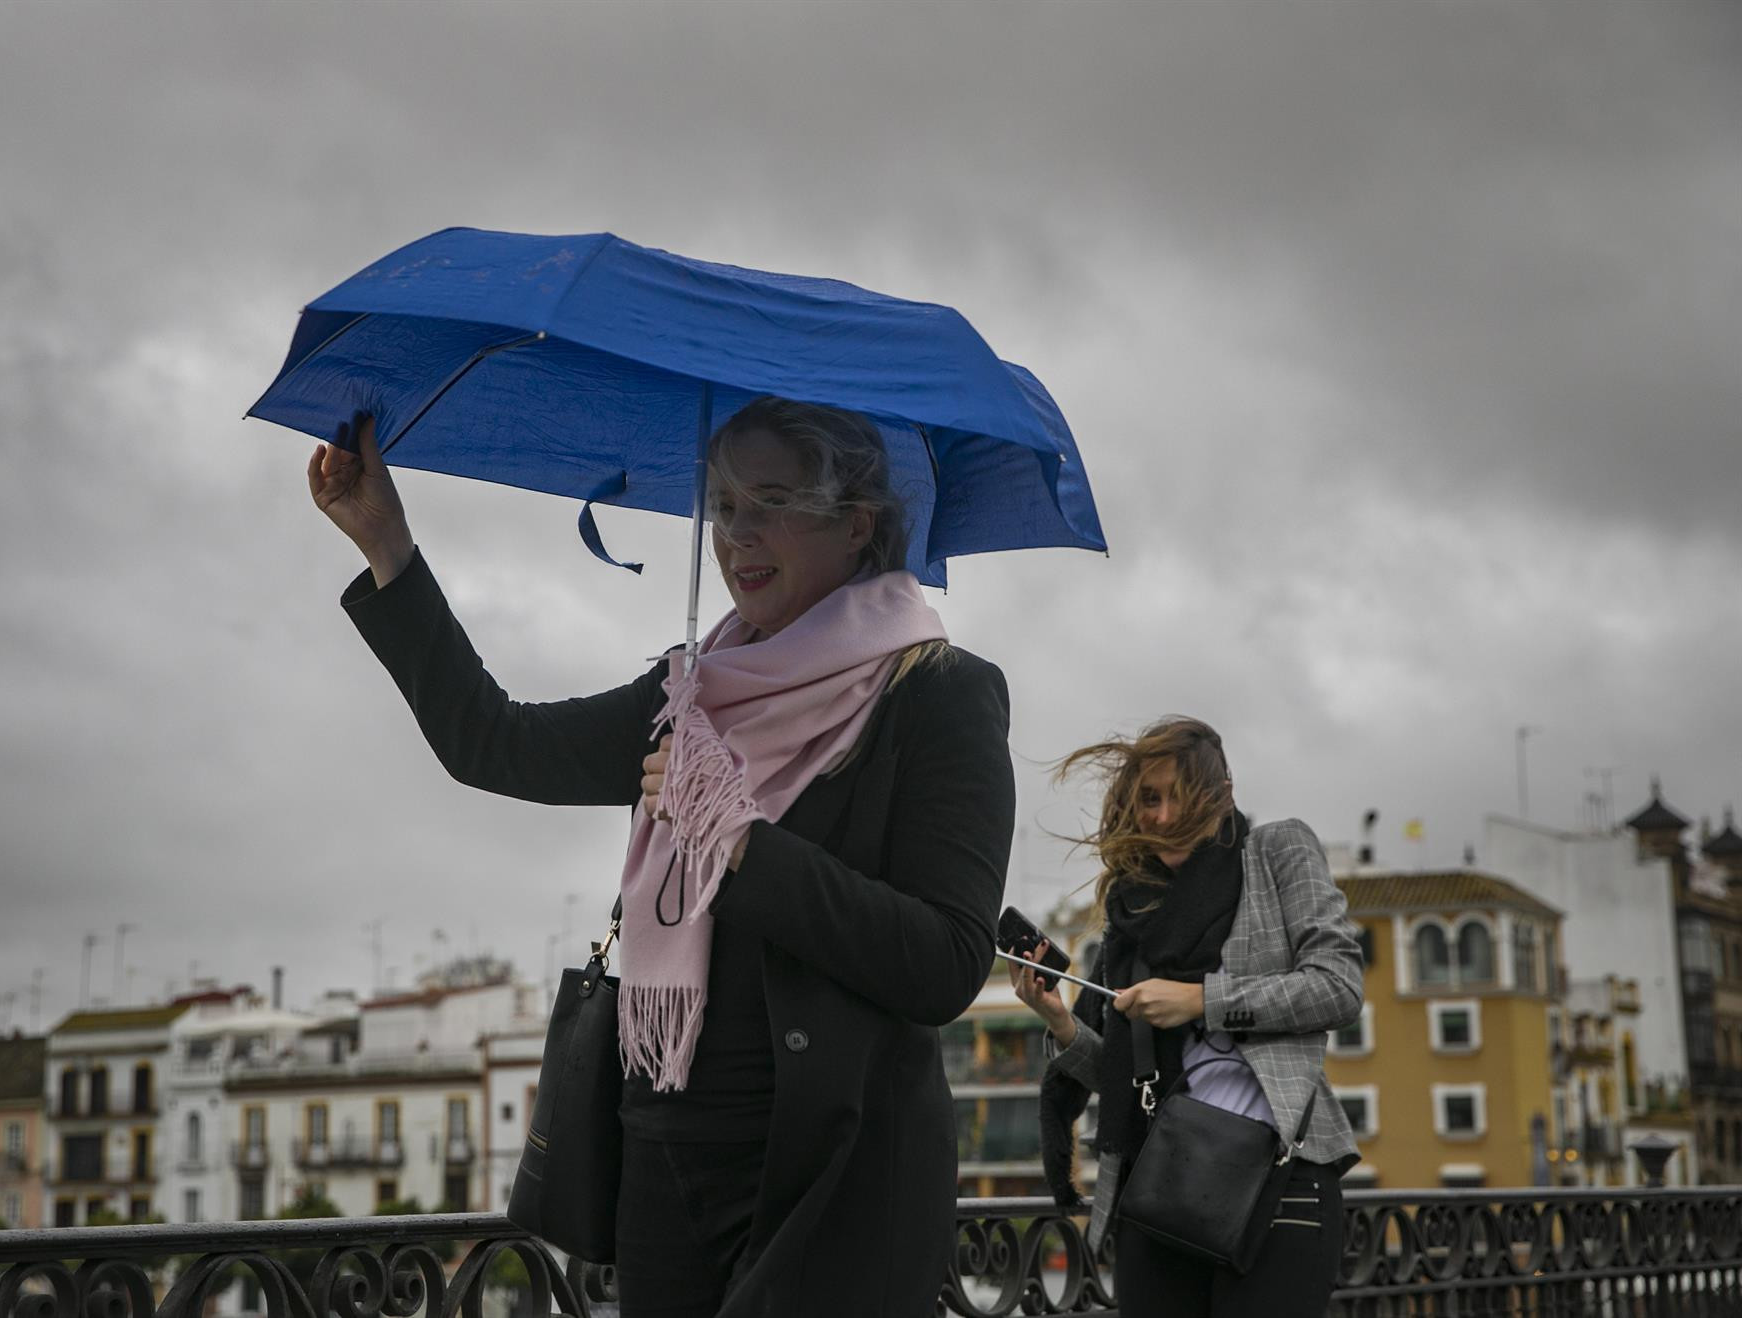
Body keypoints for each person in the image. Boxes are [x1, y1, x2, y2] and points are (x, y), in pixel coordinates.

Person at [309, 397, 1015, 1318]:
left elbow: (944, 962)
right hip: (664, 1159)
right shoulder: (690, 692)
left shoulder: (940, 693)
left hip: (830, 1179)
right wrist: (387, 547)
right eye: (722, 505)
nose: (737, 534)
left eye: (772, 501)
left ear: (858, 525)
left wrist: (737, 843)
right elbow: (494, 742)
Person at [1009, 717, 1361, 1318]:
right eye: (1149, 797)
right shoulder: (1131, 911)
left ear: (1223, 794)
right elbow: (1126, 1079)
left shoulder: (1275, 851)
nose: (1165, 815)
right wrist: (1059, 1022)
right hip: (1163, 1184)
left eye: (1182, 796)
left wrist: (1201, 1000)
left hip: (1283, 1178)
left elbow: (1338, 985)